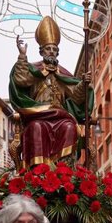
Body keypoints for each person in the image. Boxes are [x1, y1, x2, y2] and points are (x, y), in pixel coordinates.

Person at [8, 16, 94, 167]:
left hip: (60, 116)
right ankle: (38, 170)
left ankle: (64, 169)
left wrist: (84, 83)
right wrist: (22, 56)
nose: (52, 52)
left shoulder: (63, 74)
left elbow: (76, 96)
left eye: (54, 49)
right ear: (42, 51)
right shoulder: (34, 70)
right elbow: (21, 79)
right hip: (38, 115)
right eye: (48, 49)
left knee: (69, 127)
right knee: (36, 127)